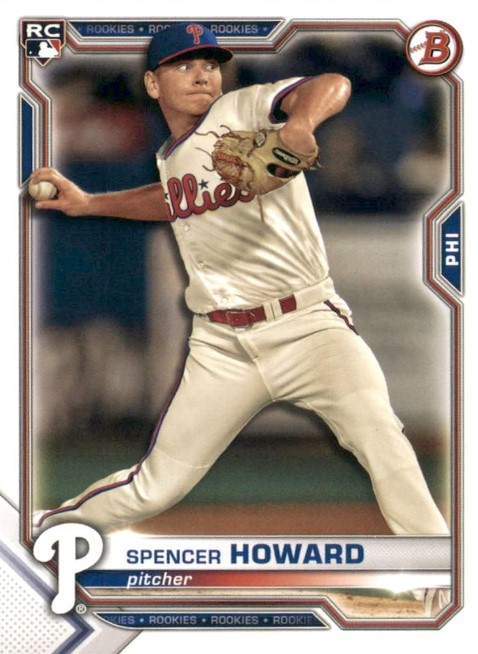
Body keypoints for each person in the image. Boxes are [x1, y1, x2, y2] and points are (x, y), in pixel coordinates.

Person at [32, 23, 449, 540]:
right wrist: (92, 203)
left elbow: (333, 84)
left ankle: (437, 569)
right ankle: (43, 537)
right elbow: (174, 199)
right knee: (154, 488)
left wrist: (301, 122)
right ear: (153, 84)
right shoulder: (172, 157)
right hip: (223, 346)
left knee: (384, 443)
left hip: (310, 328)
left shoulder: (245, 108)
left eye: (210, 65)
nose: (202, 75)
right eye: (184, 66)